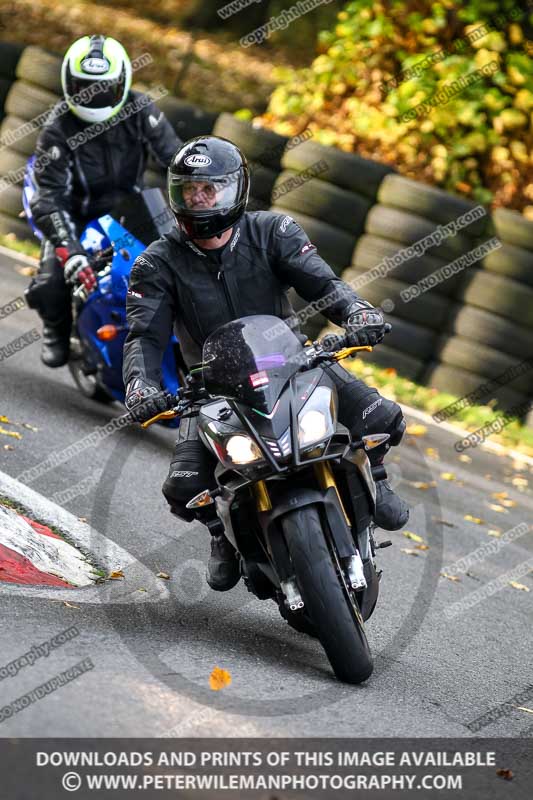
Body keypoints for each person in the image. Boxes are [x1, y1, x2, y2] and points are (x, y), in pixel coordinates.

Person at [123, 136, 409, 591]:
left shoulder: (274, 232)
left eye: (208, 189)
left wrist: (357, 312)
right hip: (210, 389)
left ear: (234, 190)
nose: (198, 199)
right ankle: (222, 533)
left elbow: (324, 285)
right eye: (188, 189)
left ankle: (373, 474)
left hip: (293, 363)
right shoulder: (155, 263)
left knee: (383, 418)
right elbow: (145, 336)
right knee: (183, 486)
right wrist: (141, 386)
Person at [26, 34, 181, 368]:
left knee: (174, 265)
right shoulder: (57, 128)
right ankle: (57, 328)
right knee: (52, 282)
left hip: (130, 210)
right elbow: (46, 197)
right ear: (68, 81)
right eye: (85, 86)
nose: (94, 96)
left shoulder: (141, 111)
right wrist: (69, 249)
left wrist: (199, 187)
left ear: (122, 82)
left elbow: (175, 157)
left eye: (102, 87)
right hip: (76, 214)